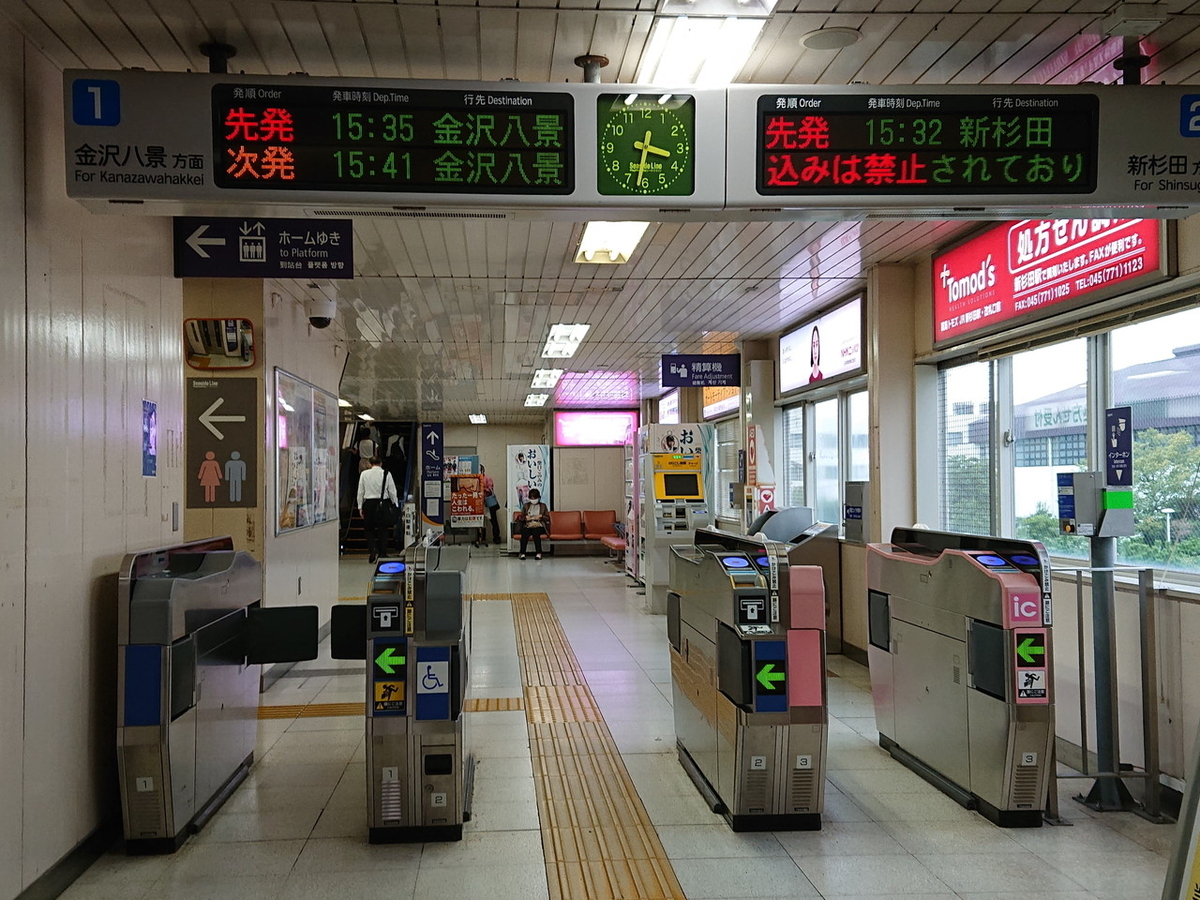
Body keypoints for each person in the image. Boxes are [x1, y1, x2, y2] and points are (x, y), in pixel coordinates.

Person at [356, 456, 397, 563]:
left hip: (368, 504)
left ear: (369, 464)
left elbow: (360, 491)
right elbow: (392, 490)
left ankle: (372, 549)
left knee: (369, 529)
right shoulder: (386, 474)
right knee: (383, 529)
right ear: (381, 463)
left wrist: (360, 506)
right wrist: (395, 503)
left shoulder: (364, 474)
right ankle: (383, 552)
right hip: (382, 503)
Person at [518, 488, 548, 560]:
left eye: (535, 498)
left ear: (538, 498)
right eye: (531, 498)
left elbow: (547, 518)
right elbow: (521, 517)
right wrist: (526, 518)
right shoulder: (526, 506)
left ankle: (539, 553)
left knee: (536, 533)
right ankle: (522, 553)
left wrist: (541, 516)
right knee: (525, 532)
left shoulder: (543, 506)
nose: (533, 500)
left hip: (539, 525)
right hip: (529, 525)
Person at [475, 464, 501, 547]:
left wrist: (483, 488)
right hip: (478, 502)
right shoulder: (474, 479)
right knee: (479, 521)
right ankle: (481, 538)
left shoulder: (487, 478)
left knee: (493, 521)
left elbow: (490, 489)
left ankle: (496, 537)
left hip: (488, 502)